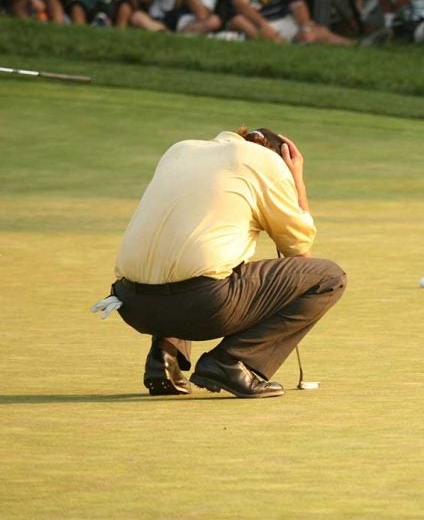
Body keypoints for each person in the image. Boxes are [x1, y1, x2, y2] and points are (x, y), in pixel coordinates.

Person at [92, 128, 347, 398]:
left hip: (132, 304)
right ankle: (234, 362)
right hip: (202, 306)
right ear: (281, 156)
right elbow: (299, 249)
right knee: (328, 277)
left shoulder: (180, 150)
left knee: (195, 253)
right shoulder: (266, 162)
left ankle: (164, 358)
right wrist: (296, 181)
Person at [221, 0, 354, 44]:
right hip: (252, 21)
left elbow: (297, 2)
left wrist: (305, 27)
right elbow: (240, 4)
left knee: (319, 32)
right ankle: (283, 47)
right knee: (240, 22)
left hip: (281, 19)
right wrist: (263, 26)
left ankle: (357, 48)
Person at [129, 0, 221, 34]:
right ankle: (166, 33)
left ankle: (169, 34)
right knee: (137, 17)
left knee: (214, 21)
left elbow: (203, 15)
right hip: (160, 20)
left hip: (186, 24)